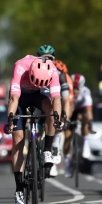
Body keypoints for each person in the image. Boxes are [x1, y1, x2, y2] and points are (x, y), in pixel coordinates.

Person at [6, 55, 62, 204]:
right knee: (18, 139)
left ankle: (47, 150)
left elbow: (56, 99)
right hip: (20, 97)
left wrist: (57, 119)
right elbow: (14, 99)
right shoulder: (20, 66)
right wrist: (10, 120)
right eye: (34, 82)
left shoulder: (53, 71)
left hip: (39, 96)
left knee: (51, 111)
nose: (35, 84)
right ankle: (19, 190)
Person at [36, 45, 71, 177]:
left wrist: (64, 118)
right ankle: (34, 155)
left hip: (53, 105)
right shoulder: (34, 70)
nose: (46, 61)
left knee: (55, 117)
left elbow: (66, 100)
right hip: (38, 106)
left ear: (54, 59)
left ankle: (51, 148)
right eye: (43, 58)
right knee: (37, 133)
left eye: (49, 58)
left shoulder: (60, 74)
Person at [63, 74, 93, 177]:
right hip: (70, 110)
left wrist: (89, 122)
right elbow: (68, 111)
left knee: (85, 118)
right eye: (73, 88)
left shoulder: (85, 92)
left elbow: (89, 110)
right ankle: (67, 163)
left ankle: (85, 143)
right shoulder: (66, 90)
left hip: (80, 110)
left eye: (77, 89)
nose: (75, 91)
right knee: (67, 137)